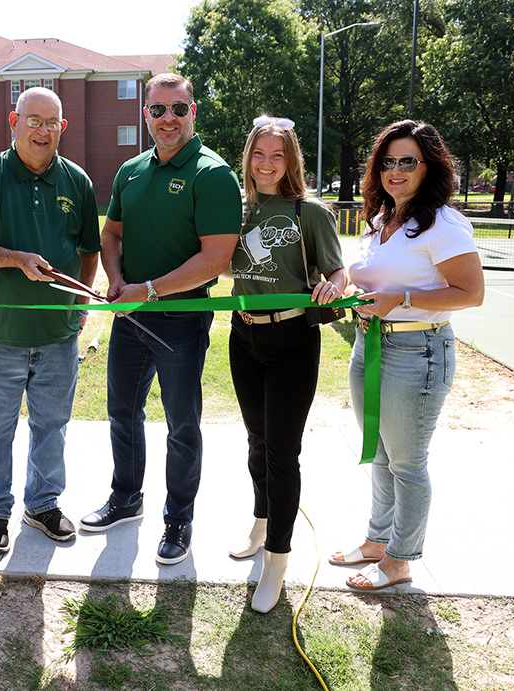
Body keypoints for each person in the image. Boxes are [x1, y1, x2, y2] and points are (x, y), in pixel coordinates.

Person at [79, 73, 242, 565]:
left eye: (178, 109)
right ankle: (126, 497)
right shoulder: (130, 171)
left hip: (180, 318)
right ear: (145, 114)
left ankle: (178, 518)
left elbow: (216, 258)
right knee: (122, 411)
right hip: (130, 316)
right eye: (157, 109)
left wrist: (147, 290)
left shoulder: (213, 174)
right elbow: (111, 235)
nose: (168, 118)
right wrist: (115, 278)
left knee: (181, 424)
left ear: (193, 111)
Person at [330, 120, 484, 591]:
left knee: (407, 463)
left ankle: (400, 560)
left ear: (428, 167)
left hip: (417, 351)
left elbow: (471, 293)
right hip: (370, 343)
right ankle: (378, 542)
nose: (395, 170)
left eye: (407, 162)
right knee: (377, 451)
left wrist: (402, 298)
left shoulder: (443, 223)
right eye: (388, 161)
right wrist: (346, 286)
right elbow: (372, 276)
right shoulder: (382, 219)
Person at [0, 87, 100, 554]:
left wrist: (80, 306)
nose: (42, 130)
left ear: (63, 128)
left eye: (51, 122)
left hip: (58, 337)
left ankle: (42, 504)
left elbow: (89, 251)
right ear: (15, 122)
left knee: (51, 425)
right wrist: (16, 258)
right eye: (33, 120)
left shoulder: (77, 181)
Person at [226, 116, 347, 613]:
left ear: (291, 160)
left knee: (281, 452)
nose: (267, 163)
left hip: (292, 340)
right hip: (242, 337)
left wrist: (333, 286)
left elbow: (337, 272)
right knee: (256, 441)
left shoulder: (310, 212)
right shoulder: (235, 209)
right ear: (248, 158)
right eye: (259, 153)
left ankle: (277, 559)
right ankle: (261, 522)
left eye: (277, 155)